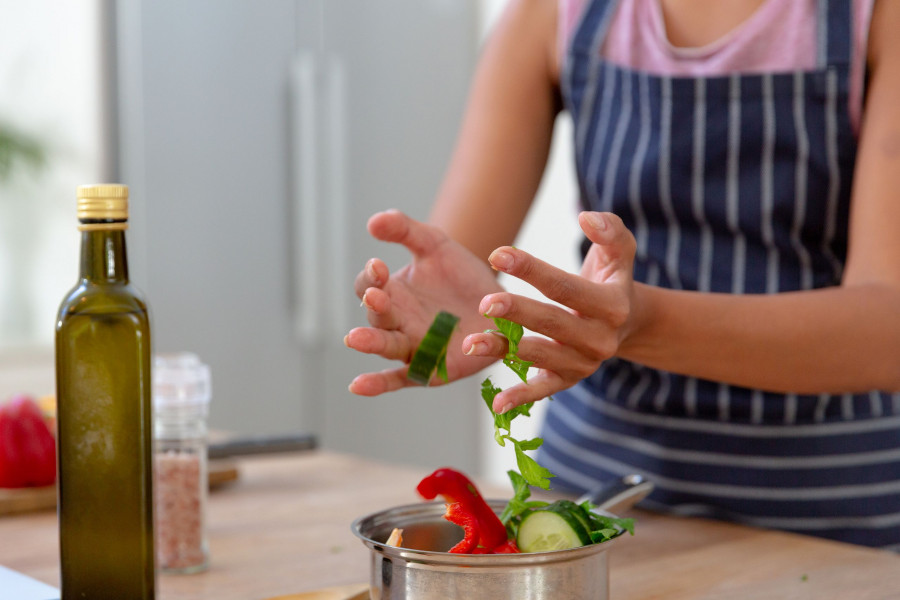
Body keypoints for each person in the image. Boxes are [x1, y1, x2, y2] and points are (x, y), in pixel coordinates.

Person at [345, 0, 900, 549]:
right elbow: (455, 288)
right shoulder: (551, 13)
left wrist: (639, 324)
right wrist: (432, 333)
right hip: (593, 506)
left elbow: (887, 335)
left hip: (834, 515)